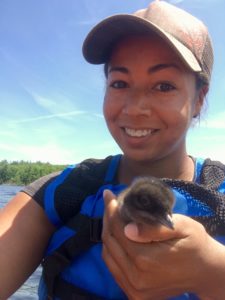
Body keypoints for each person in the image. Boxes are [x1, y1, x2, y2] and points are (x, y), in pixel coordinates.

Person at [0, 1, 225, 299]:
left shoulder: (218, 195)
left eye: (163, 86)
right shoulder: (65, 191)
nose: (135, 108)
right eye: (120, 83)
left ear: (199, 99)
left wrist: (211, 272)